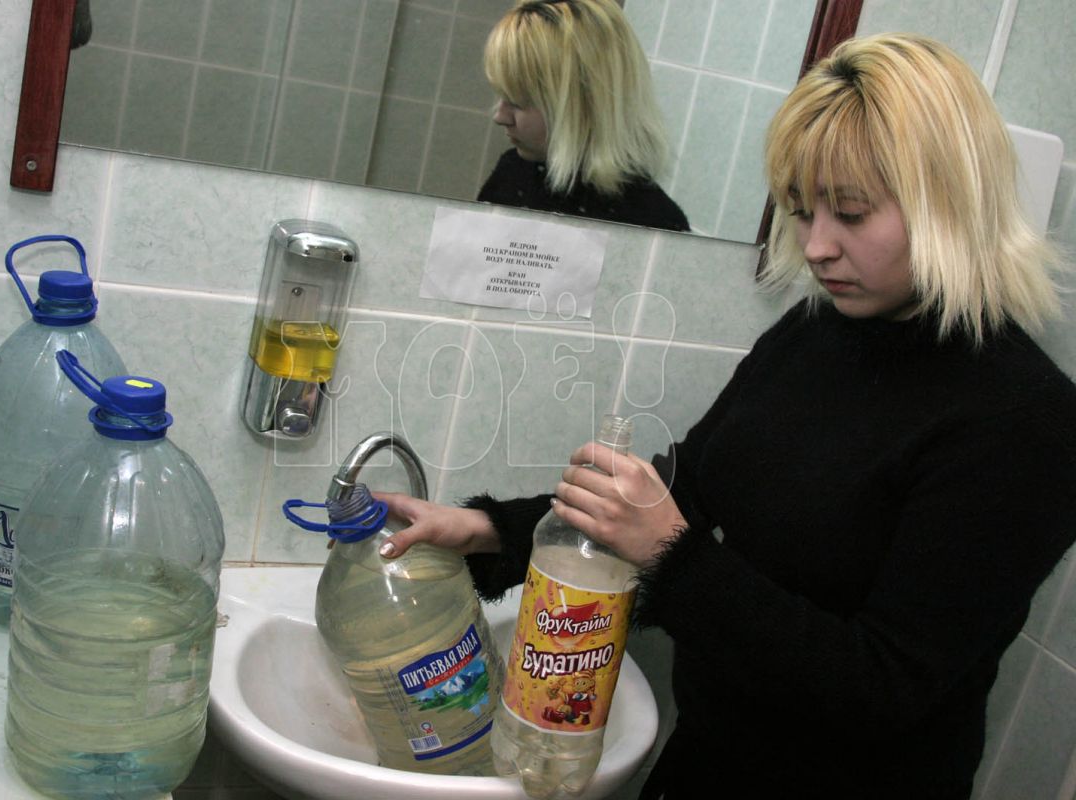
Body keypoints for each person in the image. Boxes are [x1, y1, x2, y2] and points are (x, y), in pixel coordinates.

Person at [375, 32, 1076, 799]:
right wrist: (490, 530)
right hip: (707, 763)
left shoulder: (1022, 421)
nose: (816, 247)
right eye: (801, 210)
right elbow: (683, 489)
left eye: (849, 212)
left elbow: (881, 686)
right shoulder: (819, 332)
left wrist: (671, 554)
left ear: (951, 203)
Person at [477, 0, 691, 233]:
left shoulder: (653, 222)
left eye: (517, 102)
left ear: (582, 106)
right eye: (502, 95)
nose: (500, 117)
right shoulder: (514, 172)